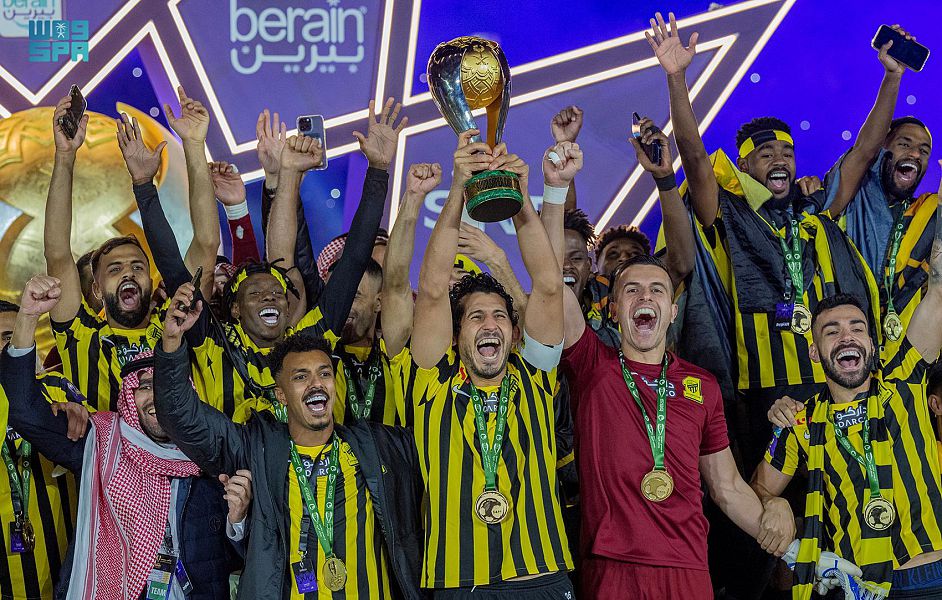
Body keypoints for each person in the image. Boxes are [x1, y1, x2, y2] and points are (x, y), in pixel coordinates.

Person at [133, 98, 406, 421]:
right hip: (229, 455)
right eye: (255, 293)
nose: (269, 297)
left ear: (289, 307)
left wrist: (378, 170)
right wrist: (145, 185)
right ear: (235, 310)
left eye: (277, 293)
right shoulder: (214, 342)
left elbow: (355, 258)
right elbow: (181, 258)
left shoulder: (309, 340)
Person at [152, 282, 425, 599]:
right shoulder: (258, 449)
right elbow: (181, 416)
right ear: (280, 394)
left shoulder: (379, 446)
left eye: (324, 373)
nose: (316, 384)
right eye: (301, 377)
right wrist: (172, 343)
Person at [1, 275, 240, 599]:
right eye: (144, 386)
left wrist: (238, 522)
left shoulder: (211, 454)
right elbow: (22, 409)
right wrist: (28, 316)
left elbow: (236, 558)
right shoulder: (100, 443)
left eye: (165, 385)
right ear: (129, 396)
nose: (156, 396)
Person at [409, 130, 574, 597]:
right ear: (455, 334)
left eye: (500, 316)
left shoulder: (535, 376)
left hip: (540, 578)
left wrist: (519, 201)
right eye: (476, 317)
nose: (490, 324)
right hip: (460, 583)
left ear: (514, 332)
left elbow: (547, 285)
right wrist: (458, 188)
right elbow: (434, 288)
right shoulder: (433, 384)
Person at [45, 87, 218, 412]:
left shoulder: (180, 325)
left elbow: (207, 246)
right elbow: (57, 254)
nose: (128, 273)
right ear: (96, 289)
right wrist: (65, 157)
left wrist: (194, 146)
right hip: (109, 447)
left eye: (138, 267)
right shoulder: (81, 337)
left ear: (151, 282)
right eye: (115, 269)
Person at [821, 27, 932, 353]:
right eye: (905, 144)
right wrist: (893, 77)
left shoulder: (926, 215)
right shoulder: (855, 194)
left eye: (924, 151)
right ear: (885, 149)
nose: (915, 154)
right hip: (843, 343)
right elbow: (865, 149)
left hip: (902, 353)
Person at [0, 299, 85, 600]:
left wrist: (80, 417)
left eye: (10, 337)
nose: (3, 348)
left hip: (68, 570)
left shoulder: (57, 387)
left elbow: (94, 449)